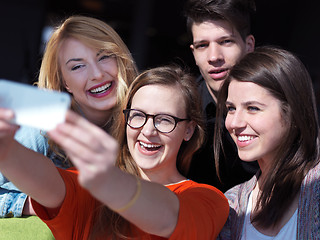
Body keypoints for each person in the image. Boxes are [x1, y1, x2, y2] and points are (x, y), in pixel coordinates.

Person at [0, 65, 229, 239]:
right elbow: (47, 184)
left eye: (164, 120)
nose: (148, 131)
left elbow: (166, 218)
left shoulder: (210, 200)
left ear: (188, 129)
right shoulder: (92, 185)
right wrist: (6, 147)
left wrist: (107, 179)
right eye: (138, 115)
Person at [0, 15, 138, 218]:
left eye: (104, 56)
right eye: (77, 66)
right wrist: (35, 205)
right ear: (65, 82)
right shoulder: (41, 131)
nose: (97, 74)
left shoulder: (144, 123)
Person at [214, 46, 320, 239]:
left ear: (293, 113)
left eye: (253, 108)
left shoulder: (316, 186)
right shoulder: (233, 204)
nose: (234, 123)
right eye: (230, 108)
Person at [184, 0, 259, 192]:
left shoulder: (279, 105)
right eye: (202, 45)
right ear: (193, 52)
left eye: (226, 41)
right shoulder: (182, 108)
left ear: (249, 45)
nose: (214, 56)